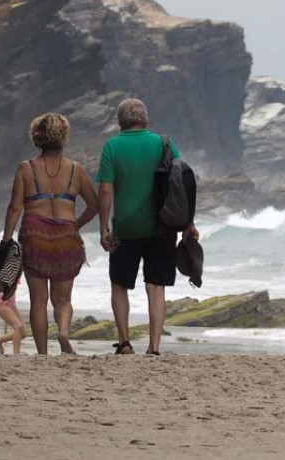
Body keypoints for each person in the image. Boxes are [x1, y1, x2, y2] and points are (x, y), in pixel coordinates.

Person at [96, 99, 199, 356]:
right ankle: (154, 348)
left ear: (120, 121)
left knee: (119, 285)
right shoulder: (163, 143)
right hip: (162, 227)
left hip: (125, 228)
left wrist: (103, 227)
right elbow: (180, 184)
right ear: (146, 120)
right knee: (156, 287)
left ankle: (125, 342)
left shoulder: (112, 146)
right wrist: (188, 223)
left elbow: (106, 188)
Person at [1, 113, 98, 355]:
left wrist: (6, 239)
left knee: (39, 301)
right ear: (64, 137)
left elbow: (15, 207)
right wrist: (75, 225)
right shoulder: (77, 170)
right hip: (66, 233)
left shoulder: (26, 168)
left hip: (35, 233)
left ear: (37, 137)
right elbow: (94, 205)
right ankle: (64, 333)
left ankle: (43, 353)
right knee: (63, 300)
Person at [0, 283, 27, 355]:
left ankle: (1, 339)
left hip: (12, 303)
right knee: (18, 327)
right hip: (2, 302)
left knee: (23, 333)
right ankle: (16, 354)